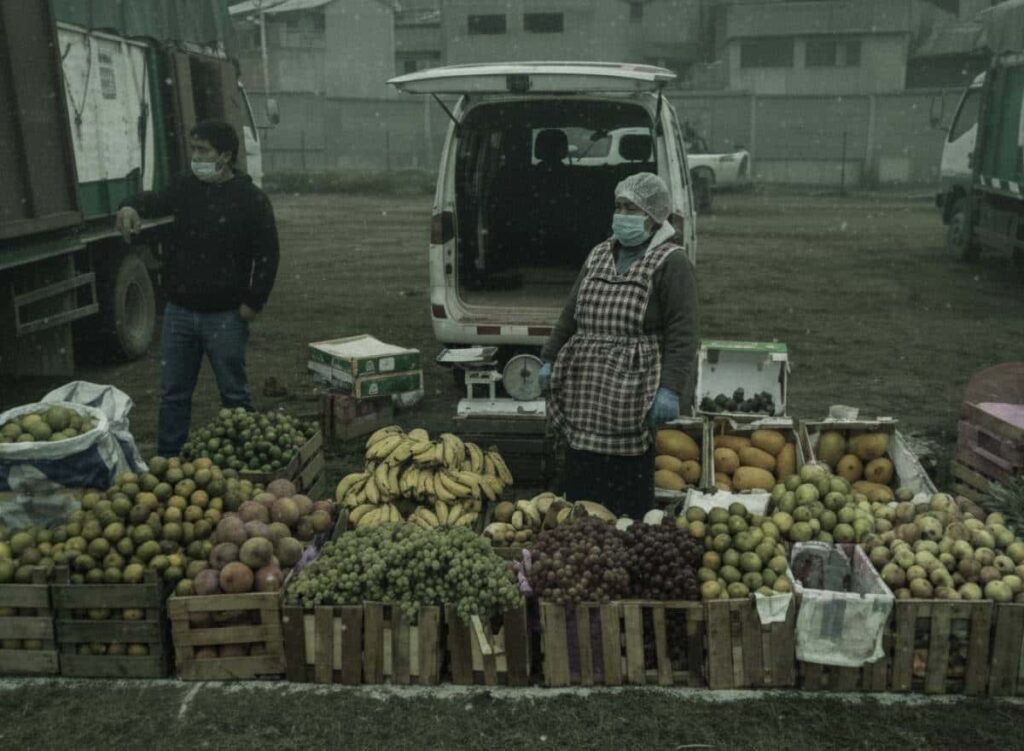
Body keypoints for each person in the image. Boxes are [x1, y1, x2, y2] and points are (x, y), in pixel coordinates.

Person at [115, 119, 280, 457]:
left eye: (202, 150)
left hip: (226, 317)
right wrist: (130, 206)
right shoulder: (186, 187)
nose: (195, 156)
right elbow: (154, 200)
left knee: (234, 396)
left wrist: (254, 301)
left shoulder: (250, 199)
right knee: (173, 395)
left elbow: (268, 253)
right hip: (180, 314)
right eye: (193, 149)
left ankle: (244, 460)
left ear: (225, 155)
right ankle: (168, 460)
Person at [538, 172, 698, 518]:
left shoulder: (672, 262)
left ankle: (626, 533)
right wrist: (549, 358)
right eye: (619, 207)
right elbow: (570, 313)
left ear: (654, 216)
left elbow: (682, 332)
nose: (622, 215)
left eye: (632, 208)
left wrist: (669, 388)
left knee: (626, 481)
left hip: (633, 387)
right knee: (582, 471)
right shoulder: (598, 254)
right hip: (586, 385)